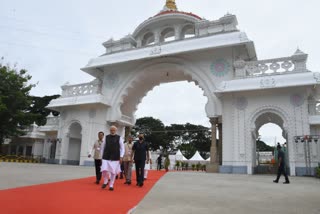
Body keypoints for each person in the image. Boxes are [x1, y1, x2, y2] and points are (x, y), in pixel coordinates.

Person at [100, 126, 124, 191]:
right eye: (111, 130)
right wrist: (101, 157)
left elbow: (122, 148)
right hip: (106, 157)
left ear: (116, 131)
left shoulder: (119, 138)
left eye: (113, 130)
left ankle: (111, 185)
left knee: (113, 172)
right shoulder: (106, 137)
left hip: (115, 157)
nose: (112, 131)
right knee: (104, 170)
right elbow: (102, 147)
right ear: (110, 130)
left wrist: (121, 156)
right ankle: (105, 181)